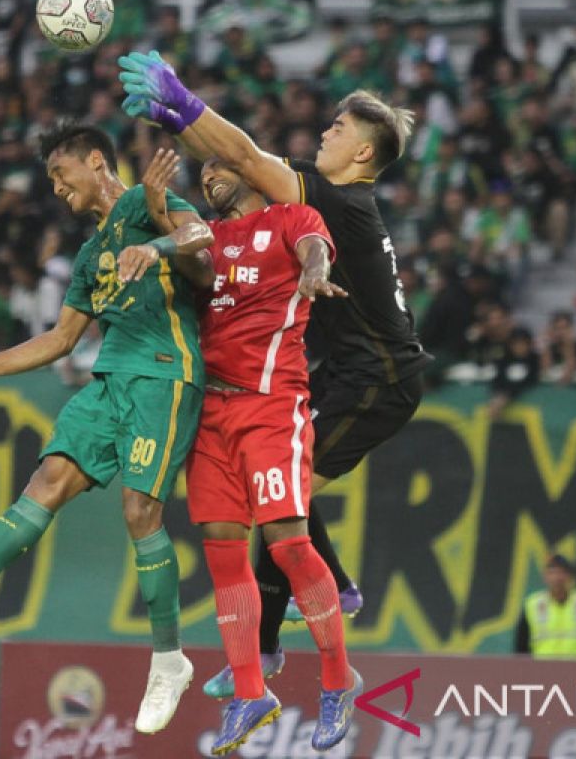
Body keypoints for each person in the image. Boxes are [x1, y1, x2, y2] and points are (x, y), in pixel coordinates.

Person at [0, 125, 214, 734]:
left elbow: (203, 242)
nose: (56, 189)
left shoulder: (145, 203)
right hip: (108, 380)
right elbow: (60, 340)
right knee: (48, 479)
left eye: (61, 175)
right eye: (52, 181)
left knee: (140, 513)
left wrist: (159, 236)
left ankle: (169, 659)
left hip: (164, 375)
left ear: (94, 161)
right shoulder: (88, 257)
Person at [118, 52, 431, 696]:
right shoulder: (335, 194)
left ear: (365, 155)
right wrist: (179, 118)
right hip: (346, 369)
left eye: (339, 129)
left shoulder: (342, 202)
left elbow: (247, 156)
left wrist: (185, 100)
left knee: (276, 504)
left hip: (379, 379)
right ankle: (333, 592)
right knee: (281, 492)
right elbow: (237, 158)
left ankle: (265, 655)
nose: (325, 133)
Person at [117, 152, 363, 754]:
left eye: (220, 165)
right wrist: (155, 214)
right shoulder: (211, 238)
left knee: (288, 543)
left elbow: (316, 249)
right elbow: (197, 266)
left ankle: (337, 679)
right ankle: (251, 691)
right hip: (212, 414)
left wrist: (312, 269)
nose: (206, 176)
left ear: (255, 172)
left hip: (271, 404)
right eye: (200, 171)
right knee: (225, 557)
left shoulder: (291, 218)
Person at [515, 553, 576, 659]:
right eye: (552, 573)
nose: (557, 578)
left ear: (570, 576)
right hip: (542, 671)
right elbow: (521, 647)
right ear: (545, 577)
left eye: (562, 572)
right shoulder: (533, 605)